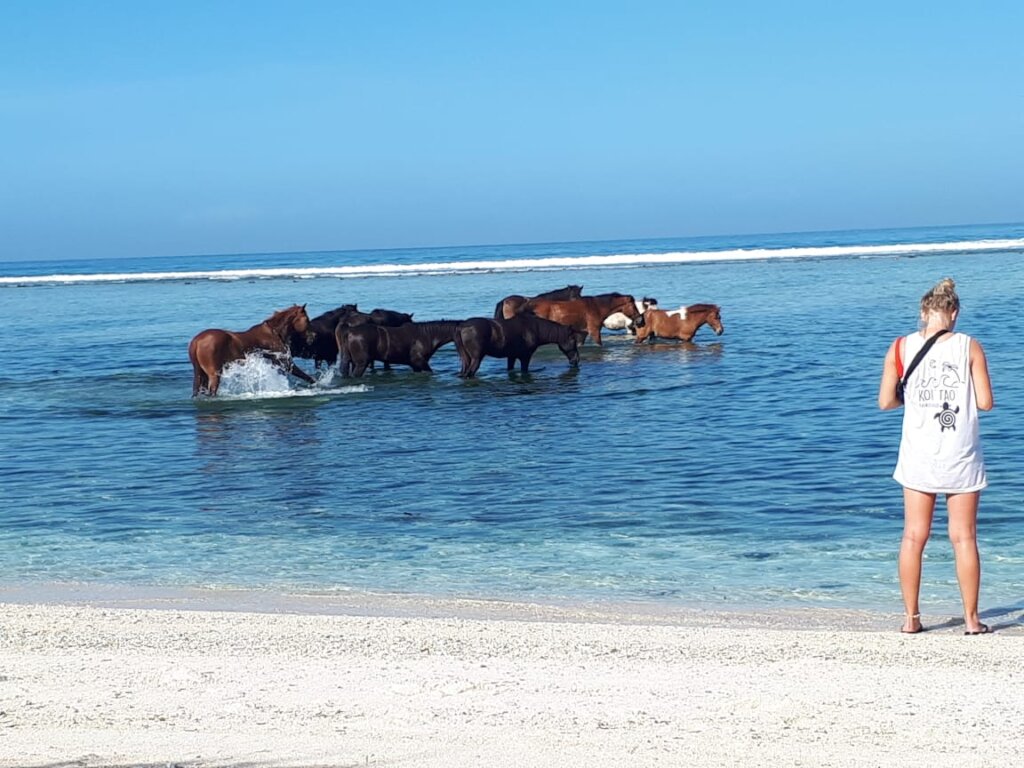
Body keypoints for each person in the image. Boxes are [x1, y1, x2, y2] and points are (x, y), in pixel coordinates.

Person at [878, 277, 994, 635]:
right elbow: (985, 403)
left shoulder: (899, 347)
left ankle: (911, 619)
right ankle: (972, 621)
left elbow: (885, 402)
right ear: (954, 313)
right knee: (964, 537)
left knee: (914, 536)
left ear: (923, 313)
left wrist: (910, 400)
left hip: (918, 455)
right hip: (960, 454)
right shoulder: (969, 347)